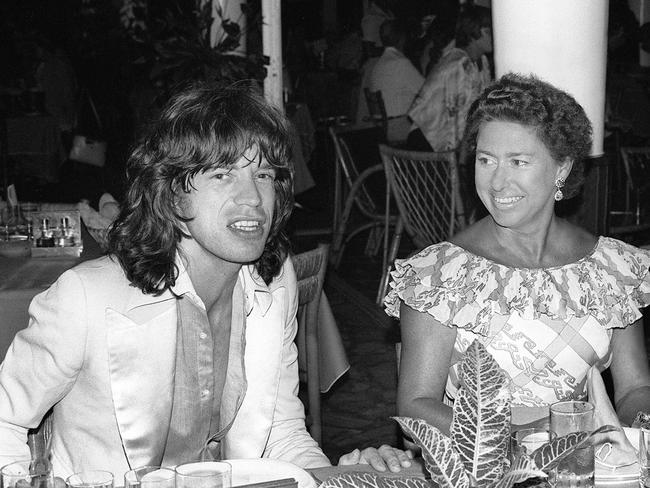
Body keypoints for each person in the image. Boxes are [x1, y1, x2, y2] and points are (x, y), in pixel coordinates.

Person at [0, 82, 413, 479]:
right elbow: (5, 420)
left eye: (265, 175)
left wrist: (342, 475)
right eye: (222, 175)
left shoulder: (274, 282)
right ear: (173, 193)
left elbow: (281, 435)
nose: (252, 197)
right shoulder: (87, 297)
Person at [386, 73, 650, 434]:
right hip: (482, 468)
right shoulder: (439, 275)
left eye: (518, 162)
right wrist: (524, 442)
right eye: (486, 160)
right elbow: (416, 407)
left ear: (563, 167)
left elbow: (636, 389)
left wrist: (627, 430)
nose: (497, 182)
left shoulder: (612, 269)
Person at [407, 9, 492, 152]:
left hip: (450, 138)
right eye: (488, 32)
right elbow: (453, 117)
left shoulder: (481, 61)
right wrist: (459, 158)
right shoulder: (458, 64)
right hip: (429, 140)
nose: (494, 37)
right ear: (473, 32)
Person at [367, 19, 424, 143]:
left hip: (381, 128)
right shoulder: (400, 63)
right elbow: (427, 91)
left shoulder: (378, 65)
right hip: (400, 128)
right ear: (402, 38)